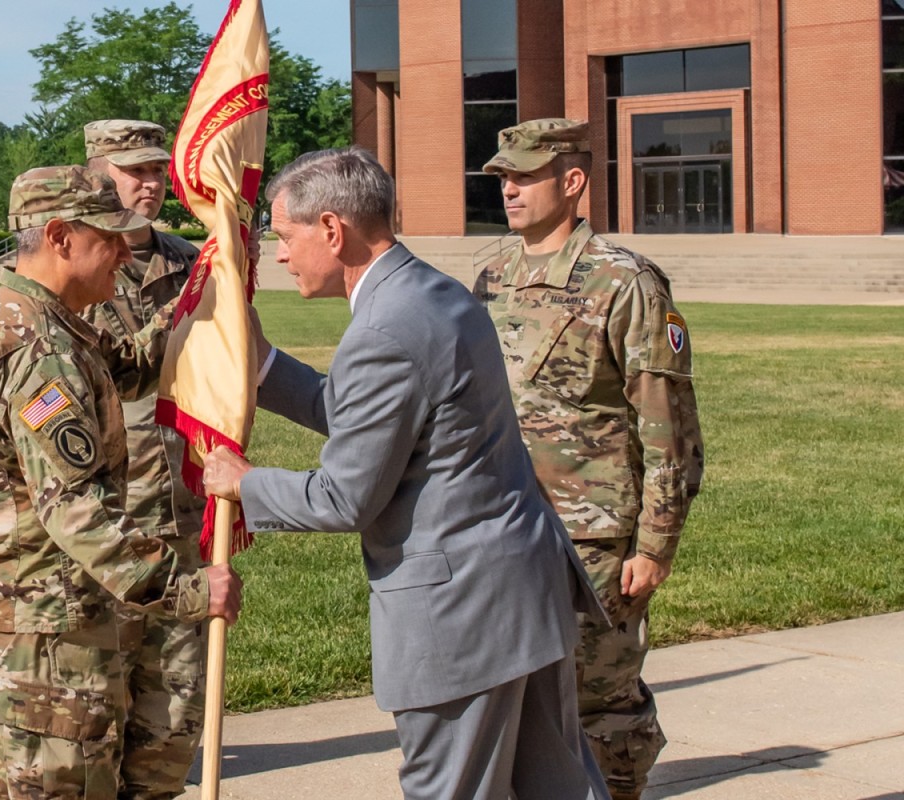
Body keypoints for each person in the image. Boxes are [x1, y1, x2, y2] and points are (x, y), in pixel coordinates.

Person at [202, 146, 610, 800]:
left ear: (332, 231)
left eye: (285, 236)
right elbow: (378, 417)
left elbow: (344, 498)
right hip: (520, 595)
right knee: (553, 788)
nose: (280, 255)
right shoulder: (435, 291)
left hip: (461, 618)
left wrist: (242, 482)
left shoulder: (384, 327)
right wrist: (263, 364)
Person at [0, 165, 242, 800]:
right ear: (59, 237)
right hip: (46, 627)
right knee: (59, 787)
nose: (128, 251)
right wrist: (186, 589)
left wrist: (200, 295)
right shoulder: (39, 354)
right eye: (110, 237)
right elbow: (77, 511)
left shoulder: (37, 318)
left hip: (39, 612)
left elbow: (127, 369)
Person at [474, 119, 705, 800]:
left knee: (601, 706)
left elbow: (670, 429)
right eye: (503, 178)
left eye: (524, 176)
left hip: (593, 541)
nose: (510, 190)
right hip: (507, 526)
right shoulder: (491, 278)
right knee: (515, 699)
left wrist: (656, 546)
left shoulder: (625, 282)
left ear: (571, 182)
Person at [80, 119, 207, 800]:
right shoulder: (70, 267)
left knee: (174, 713)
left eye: (157, 171)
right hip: (105, 520)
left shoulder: (189, 262)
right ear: (97, 173)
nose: (150, 184)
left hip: (181, 510)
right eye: (134, 171)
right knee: (92, 711)